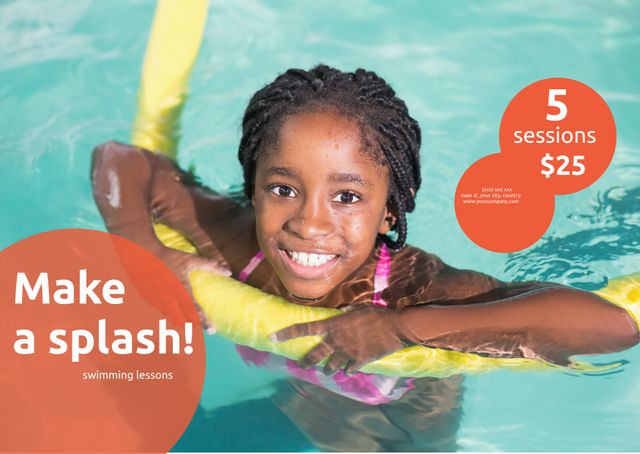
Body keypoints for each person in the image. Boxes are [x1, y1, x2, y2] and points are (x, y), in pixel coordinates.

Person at [91, 65, 638, 450]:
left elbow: (611, 324)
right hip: (306, 406)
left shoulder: (416, 290)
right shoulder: (237, 241)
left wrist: (402, 328)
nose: (309, 223)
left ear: (389, 215)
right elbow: (120, 161)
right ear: (253, 191)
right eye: (283, 189)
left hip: (406, 431)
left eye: (348, 197)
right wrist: (146, 252)